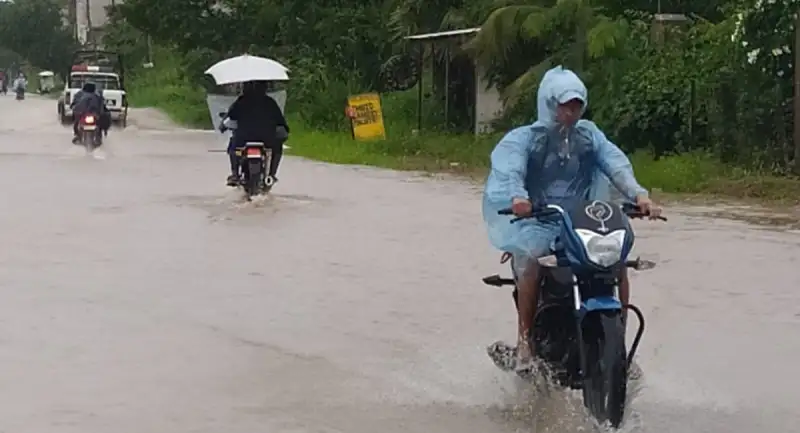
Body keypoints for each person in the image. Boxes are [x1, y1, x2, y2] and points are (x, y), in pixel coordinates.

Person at [482, 66, 662, 372]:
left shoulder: (589, 136)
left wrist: (640, 196)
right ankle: (525, 342)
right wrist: (519, 198)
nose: (571, 111)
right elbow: (511, 167)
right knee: (531, 261)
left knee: (617, 262)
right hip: (538, 221)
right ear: (549, 103)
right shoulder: (525, 139)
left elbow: (615, 164)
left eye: (577, 104)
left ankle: (618, 341)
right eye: (565, 104)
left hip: (582, 222)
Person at [224, 80, 289, 186]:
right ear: (264, 88)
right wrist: (284, 130)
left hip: (243, 138)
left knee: (233, 147)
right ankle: (271, 175)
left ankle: (235, 174)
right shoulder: (270, 102)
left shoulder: (241, 101)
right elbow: (280, 121)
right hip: (267, 139)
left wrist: (223, 125)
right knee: (277, 147)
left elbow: (231, 116)